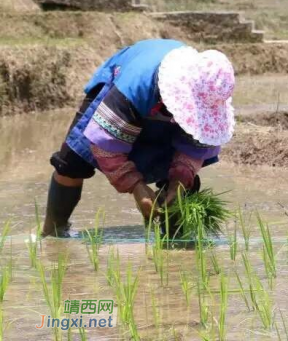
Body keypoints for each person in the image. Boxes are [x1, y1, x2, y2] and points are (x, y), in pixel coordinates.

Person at [42, 39, 236, 237]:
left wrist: (178, 182)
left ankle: (173, 237)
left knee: (180, 186)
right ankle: (53, 232)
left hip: (155, 103)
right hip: (121, 86)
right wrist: (136, 187)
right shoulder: (136, 85)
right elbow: (105, 145)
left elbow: (193, 148)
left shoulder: (211, 92)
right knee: (72, 163)